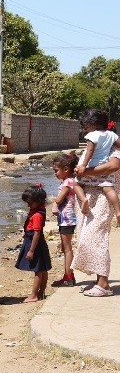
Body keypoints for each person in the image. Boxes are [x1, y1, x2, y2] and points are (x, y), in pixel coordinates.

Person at [71, 148, 120, 297]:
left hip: (103, 197)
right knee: (85, 238)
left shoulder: (114, 150)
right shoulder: (93, 148)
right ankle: (99, 280)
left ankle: (104, 283)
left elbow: (114, 166)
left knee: (96, 238)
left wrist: (85, 172)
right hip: (87, 197)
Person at [74, 108, 120, 222]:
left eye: (86, 126)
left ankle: (83, 199)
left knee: (75, 182)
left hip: (92, 167)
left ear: (93, 124)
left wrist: (84, 167)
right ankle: (118, 211)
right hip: (103, 170)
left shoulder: (92, 135)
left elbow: (89, 151)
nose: (84, 129)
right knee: (108, 189)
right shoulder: (111, 135)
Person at [15, 184, 52, 302]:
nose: (28, 205)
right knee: (42, 268)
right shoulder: (39, 209)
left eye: (30, 203)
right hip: (36, 241)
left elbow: (36, 233)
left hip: (34, 242)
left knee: (38, 269)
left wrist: (31, 250)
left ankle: (34, 295)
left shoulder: (37, 215)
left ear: (38, 201)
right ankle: (41, 292)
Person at [51, 153, 78, 287]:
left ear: (66, 169)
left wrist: (54, 202)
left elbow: (59, 199)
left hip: (67, 220)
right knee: (65, 248)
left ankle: (68, 277)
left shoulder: (67, 182)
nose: (55, 174)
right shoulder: (68, 181)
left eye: (56, 171)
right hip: (66, 219)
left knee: (67, 249)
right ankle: (68, 275)